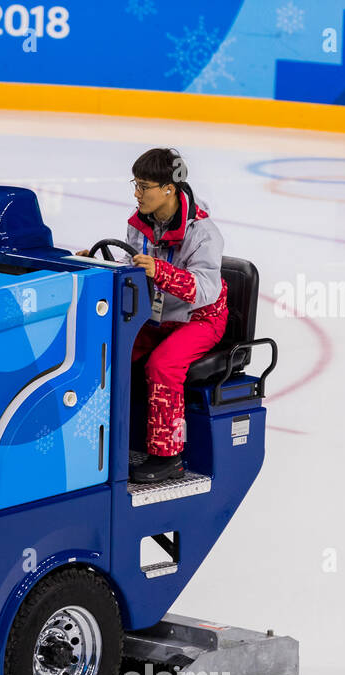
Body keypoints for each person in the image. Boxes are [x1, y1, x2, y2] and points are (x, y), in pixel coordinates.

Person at [99, 147, 229, 484]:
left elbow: (205, 291)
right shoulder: (140, 225)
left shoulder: (203, 233)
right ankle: (112, 438)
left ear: (169, 188)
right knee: (111, 352)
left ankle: (167, 455)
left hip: (200, 319)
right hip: (157, 317)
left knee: (163, 365)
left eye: (144, 186)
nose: (137, 194)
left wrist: (162, 271)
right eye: (136, 185)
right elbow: (133, 267)